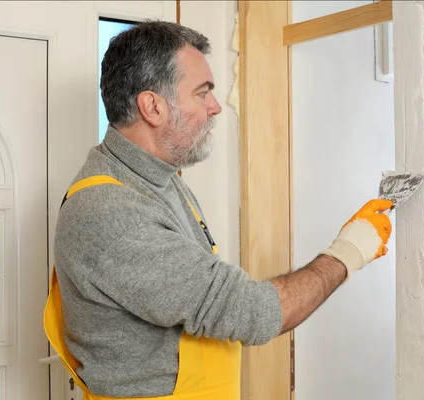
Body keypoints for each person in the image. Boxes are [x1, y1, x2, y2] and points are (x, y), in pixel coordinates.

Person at [45, 20, 393, 400]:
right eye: (202, 93)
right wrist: (348, 251)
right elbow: (254, 313)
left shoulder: (160, 179)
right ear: (153, 106)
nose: (215, 108)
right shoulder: (109, 212)